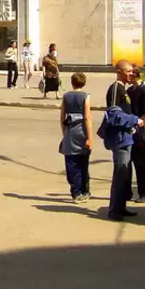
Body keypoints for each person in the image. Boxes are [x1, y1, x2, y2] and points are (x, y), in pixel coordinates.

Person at [105, 61, 141, 218]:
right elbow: (112, 114)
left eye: (132, 71)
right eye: (128, 71)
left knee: (125, 173)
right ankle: (114, 210)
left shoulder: (124, 89)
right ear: (119, 71)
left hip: (127, 136)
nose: (131, 74)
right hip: (119, 138)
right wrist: (134, 120)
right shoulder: (115, 88)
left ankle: (121, 206)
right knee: (120, 173)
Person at [59, 73, 93, 202]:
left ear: (72, 83)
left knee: (71, 162)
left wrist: (65, 133)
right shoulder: (86, 96)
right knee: (83, 162)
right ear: (84, 83)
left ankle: (76, 191)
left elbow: (62, 117)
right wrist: (90, 137)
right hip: (82, 132)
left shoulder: (66, 96)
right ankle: (85, 190)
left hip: (70, 131)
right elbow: (87, 118)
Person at [127, 67, 145, 203]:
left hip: (138, 131)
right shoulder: (129, 90)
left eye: (131, 73)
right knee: (127, 161)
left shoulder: (144, 91)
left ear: (136, 75)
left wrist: (139, 123)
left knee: (140, 162)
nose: (129, 76)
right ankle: (127, 192)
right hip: (128, 128)